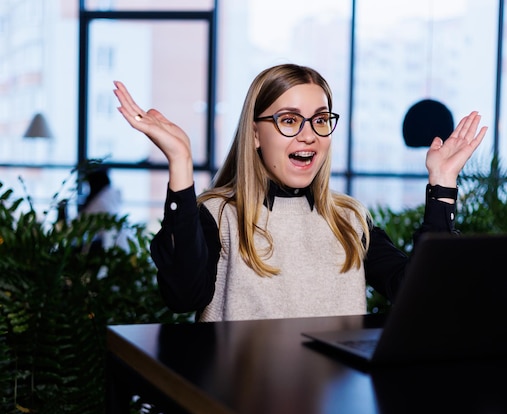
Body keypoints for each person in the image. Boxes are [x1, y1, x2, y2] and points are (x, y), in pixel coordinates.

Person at [113, 63, 487, 322]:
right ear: (256, 134)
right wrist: (180, 163)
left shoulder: (350, 218)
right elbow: (182, 296)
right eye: (289, 120)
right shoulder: (219, 214)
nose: (309, 134)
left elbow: (419, 296)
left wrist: (442, 185)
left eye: (320, 120)